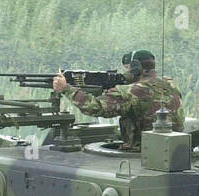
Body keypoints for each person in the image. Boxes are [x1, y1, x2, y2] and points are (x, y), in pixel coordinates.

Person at [53, 49, 183, 151]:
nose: (125, 72)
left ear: (135, 68)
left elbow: (95, 107)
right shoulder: (170, 83)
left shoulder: (131, 91)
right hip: (171, 149)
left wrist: (66, 88)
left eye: (127, 68)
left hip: (141, 152)